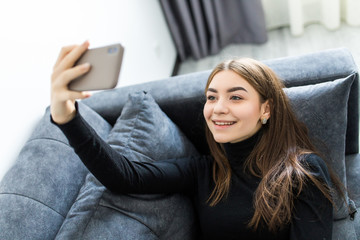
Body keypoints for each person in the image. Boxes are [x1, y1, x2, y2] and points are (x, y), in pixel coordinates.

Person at [51, 41, 339, 239]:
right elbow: (126, 177)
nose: (218, 108)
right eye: (211, 97)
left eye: (235, 97)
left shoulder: (303, 171)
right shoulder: (204, 171)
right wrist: (66, 116)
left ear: (266, 109)